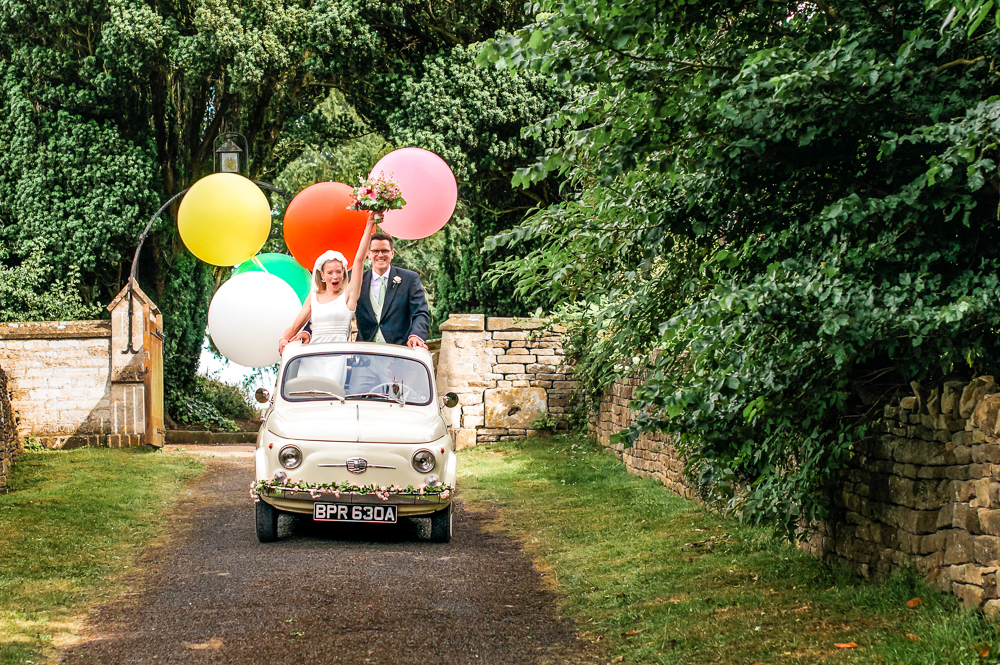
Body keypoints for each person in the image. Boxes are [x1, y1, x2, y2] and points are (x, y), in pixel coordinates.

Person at [277, 212, 376, 355]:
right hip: (311, 357)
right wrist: (283, 339)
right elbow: (294, 328)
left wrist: (369, 226)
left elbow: (359, 259)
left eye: (338, 272)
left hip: (337, 358)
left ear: (344, 273)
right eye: (330, 273)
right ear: (322, 275)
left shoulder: (349, 296)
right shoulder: (313, 298)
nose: (335, 276)